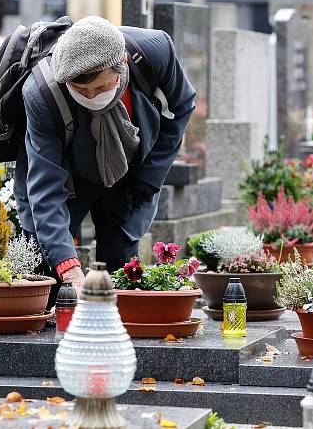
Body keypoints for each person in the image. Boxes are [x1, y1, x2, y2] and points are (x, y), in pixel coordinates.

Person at [12, 16, 196, 300]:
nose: (89, 97)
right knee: (46, 274)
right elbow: (45, 187)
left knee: (121, 266)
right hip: (69, 171)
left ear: (121, 63)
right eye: (79, 90)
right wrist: (68, 266)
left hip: (131, 171)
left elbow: (180, 107)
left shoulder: (154, 52)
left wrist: (148, 179)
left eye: (98, 88)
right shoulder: (42, 93)